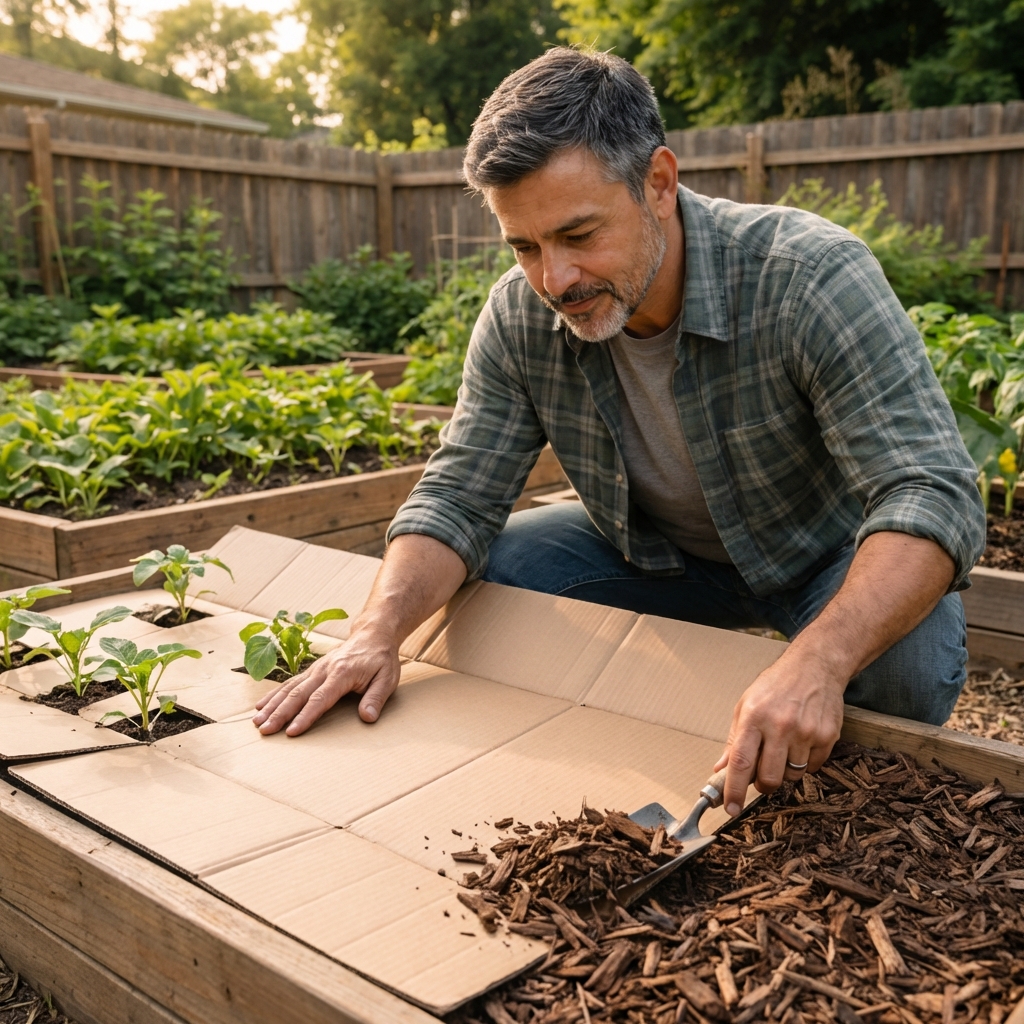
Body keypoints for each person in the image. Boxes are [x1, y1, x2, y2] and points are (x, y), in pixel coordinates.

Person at [253, 47, 986, 819]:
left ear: (659, 184)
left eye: (578, 234)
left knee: (902, 672)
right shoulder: (519, 316)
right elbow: (458, 494)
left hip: (823, 554)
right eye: (525, 247)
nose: (555, 279)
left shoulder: (807, 276)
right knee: (487, 575)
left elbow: (931, 491)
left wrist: (820, 659)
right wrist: (377, 634)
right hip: (659, 554)